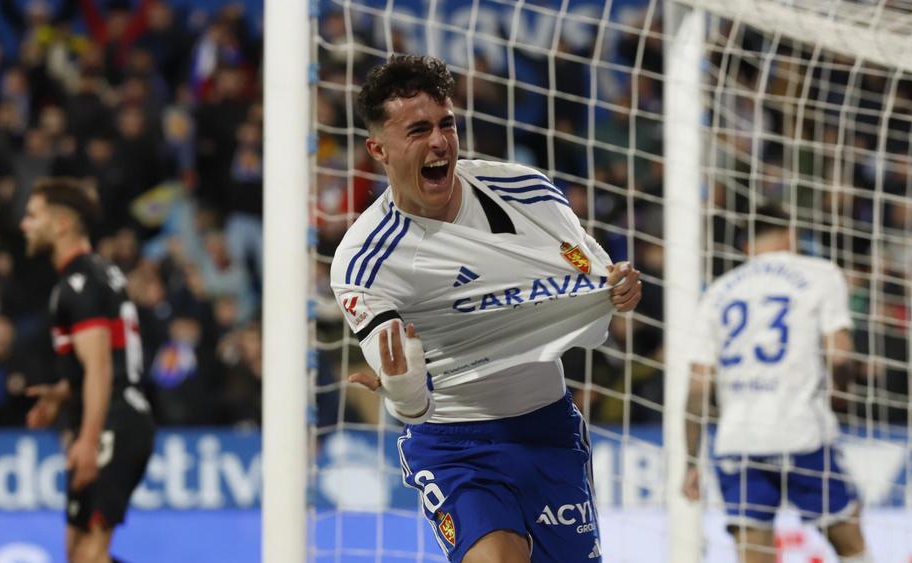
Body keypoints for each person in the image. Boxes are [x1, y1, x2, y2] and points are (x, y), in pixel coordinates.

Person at [332, 55, 641, 563]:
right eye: (418, 130)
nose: (439, 142)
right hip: (456, 443)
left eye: (446, 124)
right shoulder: (367, 258)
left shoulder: (524, 193)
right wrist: (402, 390)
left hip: (548, 428)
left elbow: (592, 277)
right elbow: (408, 396)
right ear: (378, 149)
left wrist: (620, 288)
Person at [682, 203, 870, 562]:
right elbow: (840, 354)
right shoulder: (820, 273)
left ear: (746, 248)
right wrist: (841, 394)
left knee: (753, 551)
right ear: (791, 236)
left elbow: (696, 388)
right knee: (849, 542)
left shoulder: (718, 292)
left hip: (737, 439)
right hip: (799, 429)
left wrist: (691, 461)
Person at [20, 178, 155, 563]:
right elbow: (107, 356)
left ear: (60, 224)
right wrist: (63, 393)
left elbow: (99, 368)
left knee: (89, 554)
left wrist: (88, 440)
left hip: (113, 419)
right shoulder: (97, 273)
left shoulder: (78, 283)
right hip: (110, 414)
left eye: (32, 216)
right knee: (78, 553)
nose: (24, 225)